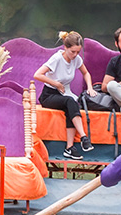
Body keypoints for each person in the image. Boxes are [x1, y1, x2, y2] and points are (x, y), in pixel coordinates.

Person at [34, 31, 96, 160]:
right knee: (69, 101)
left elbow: (86, 73)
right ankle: (84, 136)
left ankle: (69, 148)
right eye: (72, 51)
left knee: (71, 105)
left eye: (78, 52)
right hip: (49, 95)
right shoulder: (57, 59)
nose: (75, 55)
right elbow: (37, 74)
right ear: (65, 48)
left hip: (64, 93)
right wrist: (55, 83)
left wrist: (90, 87)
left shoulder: (76, 59)